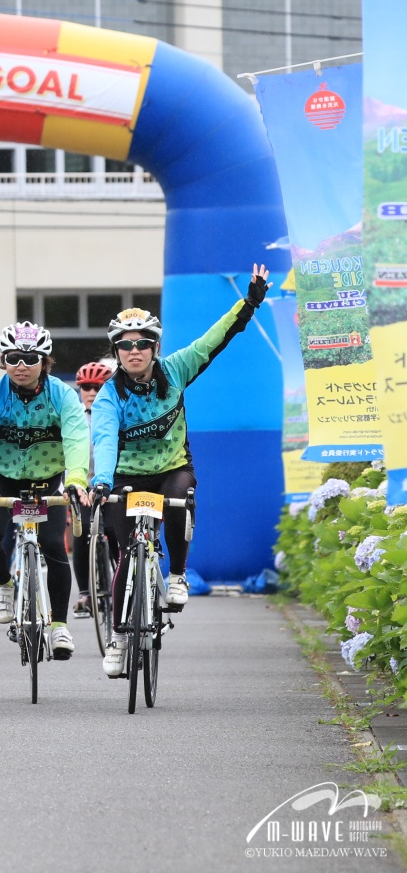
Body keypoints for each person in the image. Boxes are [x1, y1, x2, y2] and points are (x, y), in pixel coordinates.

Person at [91, 265, 270, 678]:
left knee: (179, 501)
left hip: (172, 469)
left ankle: (175, 576)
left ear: (155, 347)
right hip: (125, 477)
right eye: (125, 345)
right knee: (123, 557)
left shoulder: (176, 370)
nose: (134, 351)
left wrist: (250, 303)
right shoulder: (108, 397)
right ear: (116, 351)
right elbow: (102, 439)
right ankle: (119, 640)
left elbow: (215, 339)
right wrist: (102, 481)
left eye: (143, 343)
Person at [0, 322, 91, 661]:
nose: (20, 365)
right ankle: (6, 585)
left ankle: (59, 626)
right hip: (3, 480)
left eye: (29, 358)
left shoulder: (62, 395)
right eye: (12, 358)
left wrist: (77, 479)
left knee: (53, 545)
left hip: (47, 480)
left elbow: (78, 438)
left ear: (44, 361)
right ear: (3, 360)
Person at [70, 359, 115, 618]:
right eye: (86, 386)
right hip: (83, 486)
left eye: (98, 387)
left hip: (113, 486)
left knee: (119, 535)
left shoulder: (118, 413)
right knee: (82, 534)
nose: (91, 392)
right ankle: (85, 594)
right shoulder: (73, 416)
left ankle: (125, 583)